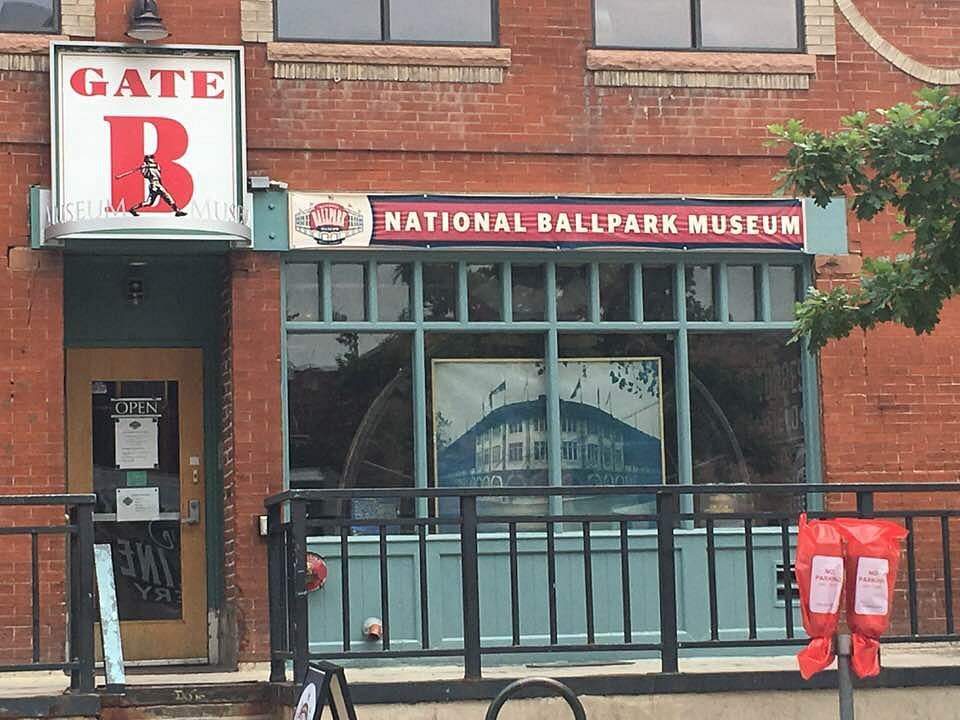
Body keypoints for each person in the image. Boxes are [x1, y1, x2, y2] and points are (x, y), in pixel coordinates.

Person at [119, 155, 187, 217]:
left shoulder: (155, 165)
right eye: (150, 158)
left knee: (153, 202)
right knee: (157, 200)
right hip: (154, 184)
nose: (152, 159)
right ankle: (177, 211)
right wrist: (143, 168)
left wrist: (147, 166)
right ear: (147, 159)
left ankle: (132, 209)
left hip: (158, 184)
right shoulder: (145, 167)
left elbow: (156, 167)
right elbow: (145, 175)